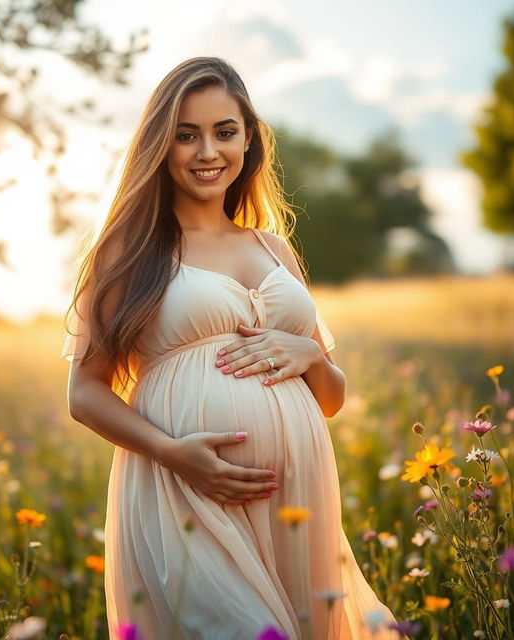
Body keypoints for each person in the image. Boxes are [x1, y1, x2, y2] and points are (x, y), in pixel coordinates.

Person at [61, 57, 406, 640]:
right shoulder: (131, 249)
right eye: (185, 135)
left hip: (297, 503)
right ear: (160, 147)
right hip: (184, 491)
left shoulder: (274, 249)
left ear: (249, 138)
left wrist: (314, 358)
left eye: (224, 132)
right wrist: (174, 454)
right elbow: (84, 392)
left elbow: (331, 398)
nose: (207, 152)